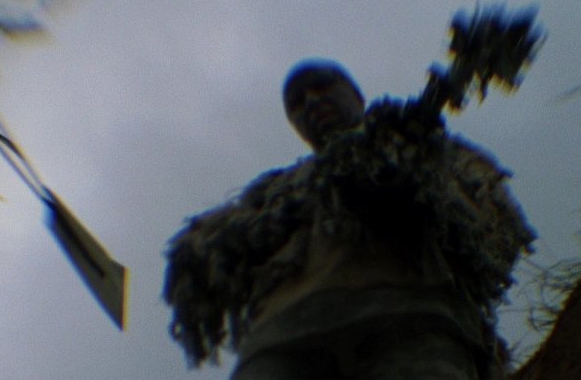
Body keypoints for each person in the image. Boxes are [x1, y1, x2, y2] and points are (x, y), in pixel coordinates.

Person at [163, 59, 535, 380]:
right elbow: (207, 254)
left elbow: (495, 225)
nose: (312, 102)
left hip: (414, 317)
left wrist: (417, 193)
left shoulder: (438, 151)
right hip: (283, 336)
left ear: (356, 95)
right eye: (297, 103)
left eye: (322, 86)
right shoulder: (273, 193)